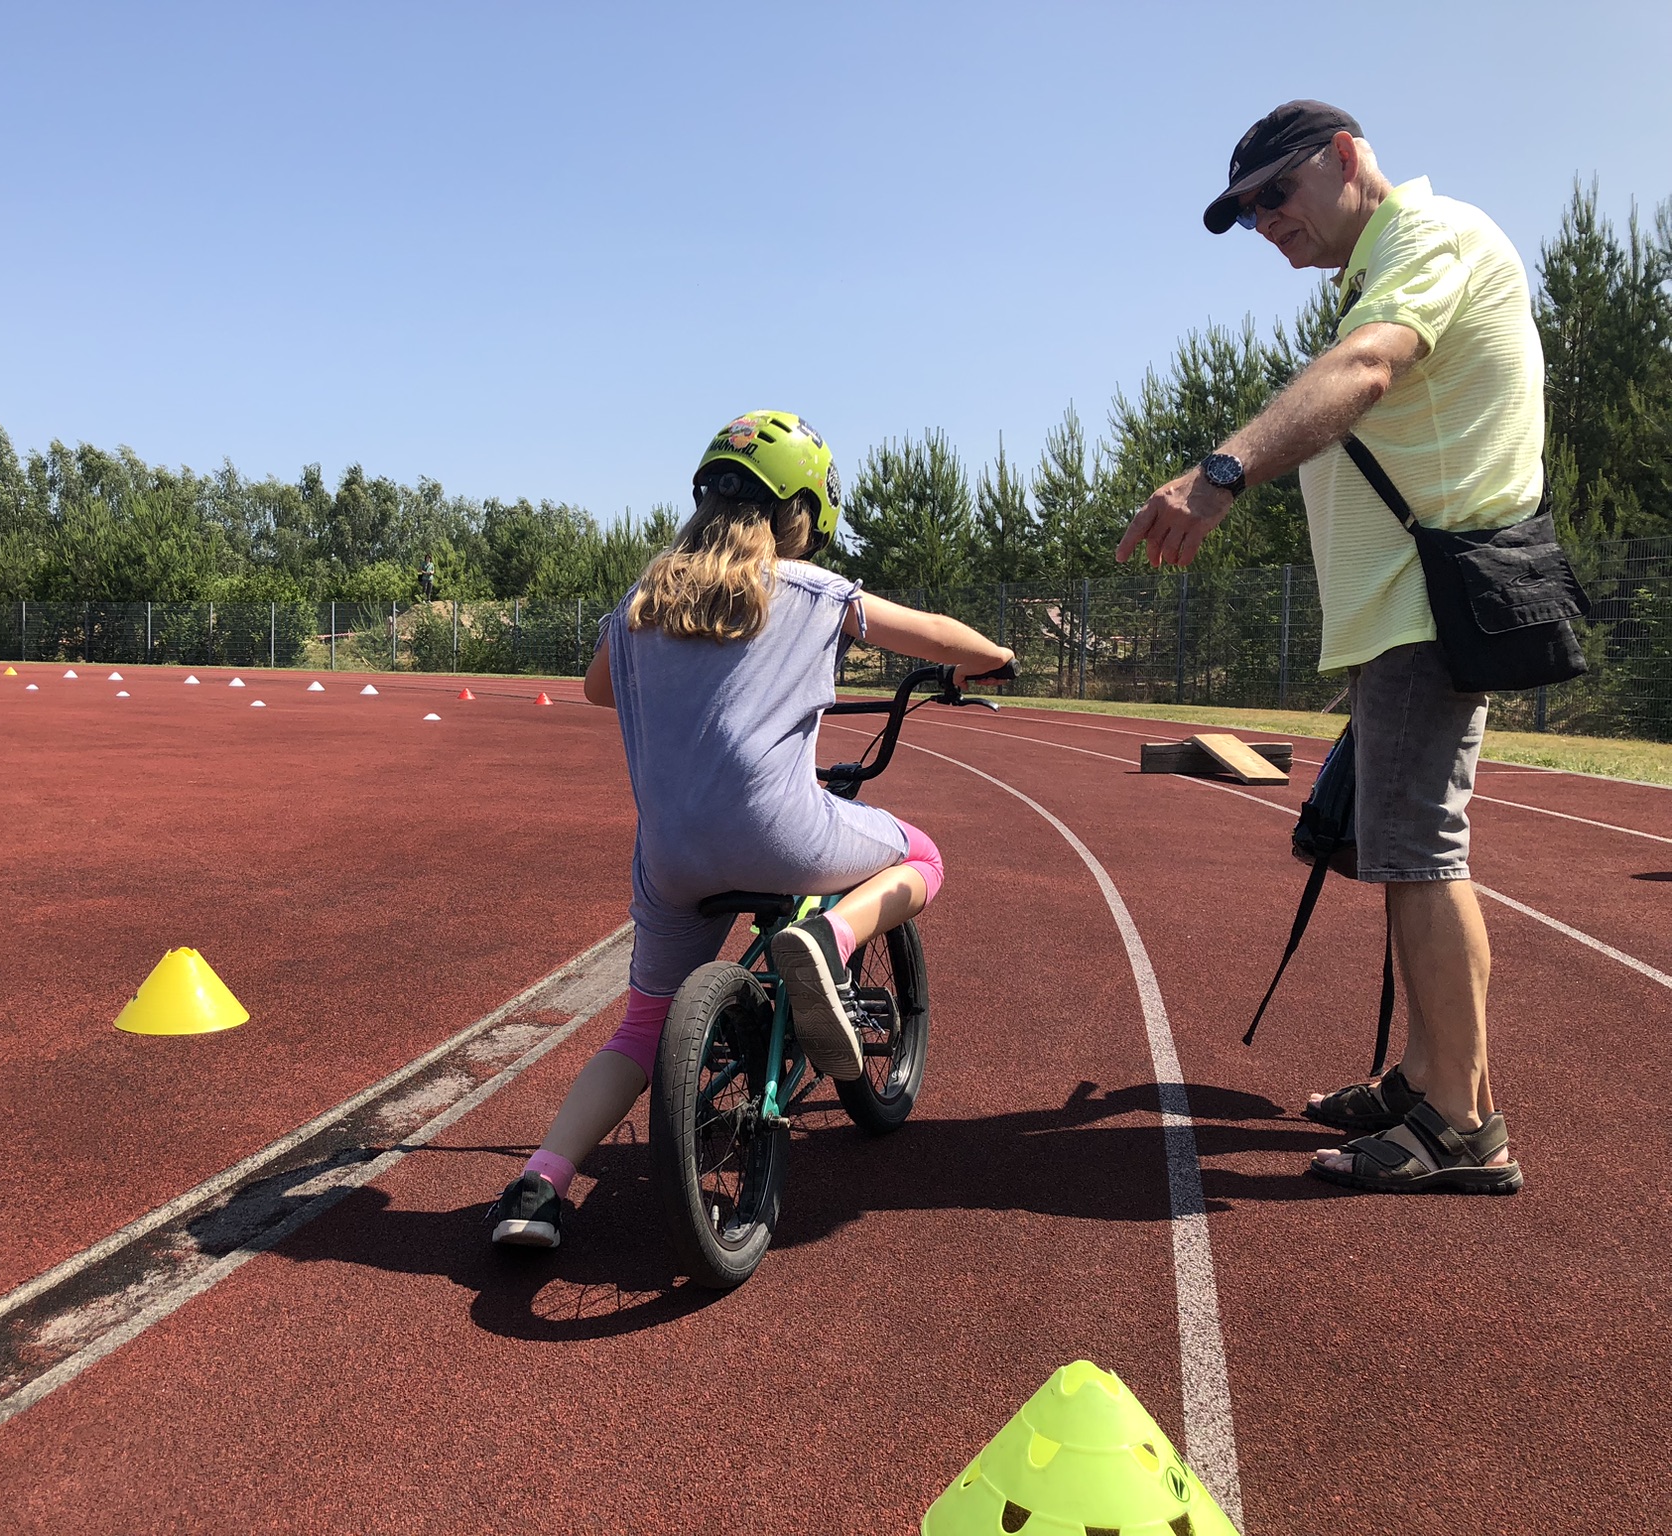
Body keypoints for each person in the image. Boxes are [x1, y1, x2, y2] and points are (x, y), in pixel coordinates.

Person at [1117, 101, 1536, 1195]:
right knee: (1408, 853)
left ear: (1344, 159)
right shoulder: (1380, 264)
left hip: (1422, 609)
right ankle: (1435, 1081)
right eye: (1244, 214)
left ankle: (1456, 1124)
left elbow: (1365, 370)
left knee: (1419, 856)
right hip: (1402, 613)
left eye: (1272, 196)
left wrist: (1219, 476)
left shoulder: (1424, 243)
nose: (1263, 225)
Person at [490, 411, 1015, 1248]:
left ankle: (537, 1187)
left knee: (638, 1027)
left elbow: (595, 690)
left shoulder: (641, 601)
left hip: (670, 858)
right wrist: (992, 659)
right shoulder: (813, 591)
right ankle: (833, 939)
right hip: (782, 834)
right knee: (923, 854)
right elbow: (946, 638)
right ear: (801, 511)